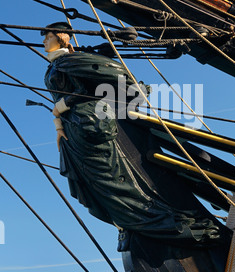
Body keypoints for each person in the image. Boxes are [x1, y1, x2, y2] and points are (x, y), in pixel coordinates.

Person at [42, 22, 220, 249]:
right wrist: (58, 126)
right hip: (73, 130)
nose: (44, 42)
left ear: (62, 37)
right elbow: (57, 99)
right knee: (91, 184)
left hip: (90, 126)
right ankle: (126, 223)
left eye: (47, 37)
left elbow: (95, 88)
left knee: (109, 179)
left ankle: (152, 221)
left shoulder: (69, 61)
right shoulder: (55, 66)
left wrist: (63, 105)